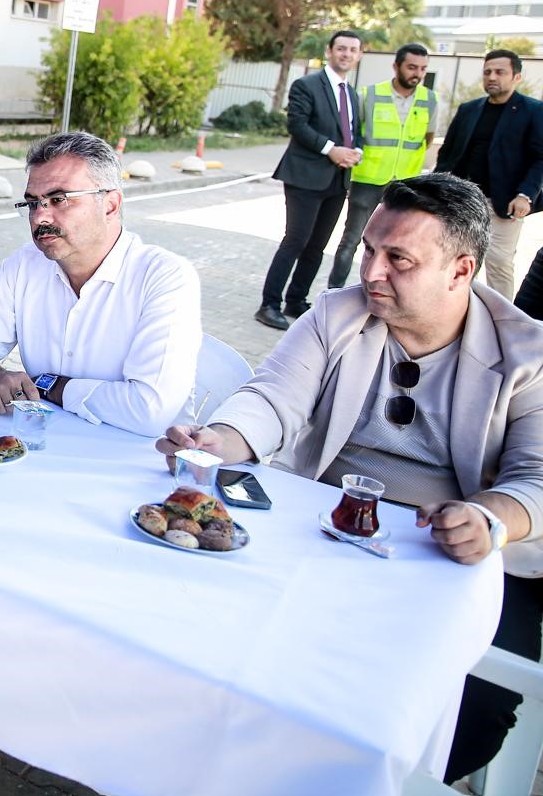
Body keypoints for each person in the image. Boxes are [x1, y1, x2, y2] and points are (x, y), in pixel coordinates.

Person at [155, 173, 543, 785]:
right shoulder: (336, 313)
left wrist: (489, 518)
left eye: (398, 258)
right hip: (326, 530)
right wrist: (216, 441)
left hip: (463, 554)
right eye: (367, 249)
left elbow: (536, 478)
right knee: (217, 640)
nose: (372, 272)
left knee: (475, 713)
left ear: (461, 271)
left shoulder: (528, 353)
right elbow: (273, 399)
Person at [0, 131, 200, 437]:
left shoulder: (165, 276)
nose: (40, 217)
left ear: (110, 205)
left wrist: (50, 384)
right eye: (32, 204)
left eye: (59, 199)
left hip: (138, 461)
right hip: (39, 442)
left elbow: (149, 410)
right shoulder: (26, 264)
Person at [255, 30, 365, 330]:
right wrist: (332, 150)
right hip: (305, 176)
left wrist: (356, 150)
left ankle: (296, 300)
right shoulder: (307, 85)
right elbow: (297, 125)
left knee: (317, 246)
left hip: (337, 179)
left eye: (352, 50)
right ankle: (269, 304)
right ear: (329, 51)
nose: (346, 54)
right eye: (341, 48)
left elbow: (355, 132)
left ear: (359, 55)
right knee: (296, 240)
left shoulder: (352, 93)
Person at [434, 49, 543, 298]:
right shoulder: (468, 109)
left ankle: (501, 324)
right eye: (487, 72)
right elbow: (448, 154)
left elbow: (540, 157)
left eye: (500, 72)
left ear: (517, 77)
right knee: (455, 261)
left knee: (499, 265)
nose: (492, 77)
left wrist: (525, 194)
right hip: (460, 200)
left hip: (503, 202)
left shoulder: (533, 110)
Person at [327, 43, 436, 290]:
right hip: (368, 180)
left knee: (398, 246)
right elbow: (355, 134)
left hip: (406, 184)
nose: (417, 73)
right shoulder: (370, 95)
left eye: (422, 68)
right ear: (396, 66)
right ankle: (334, 293)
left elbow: (428, 139)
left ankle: (380, 293)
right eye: (411, 67)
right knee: (351, 240)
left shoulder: (430, 99)